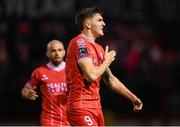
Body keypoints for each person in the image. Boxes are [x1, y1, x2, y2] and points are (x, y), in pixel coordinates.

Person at [65, 6, 143, 126]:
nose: (104, 23)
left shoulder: (99, 48)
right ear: (88, 24)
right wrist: (106, 61)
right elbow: (90, 75)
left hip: (96, 108)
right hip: (81, 106)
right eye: (99, 20)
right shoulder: (79, 43)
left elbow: (110, 80)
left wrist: (133, 98)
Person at [21, 40, 69, 126]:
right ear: (47, 53)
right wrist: (27, 93)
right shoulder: (40, 72)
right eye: (53, 51)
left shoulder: (72, 70)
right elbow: (25, 89)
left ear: (64, 52)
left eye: (59, 50)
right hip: (50, 119)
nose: (57, 53)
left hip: (71, 118)